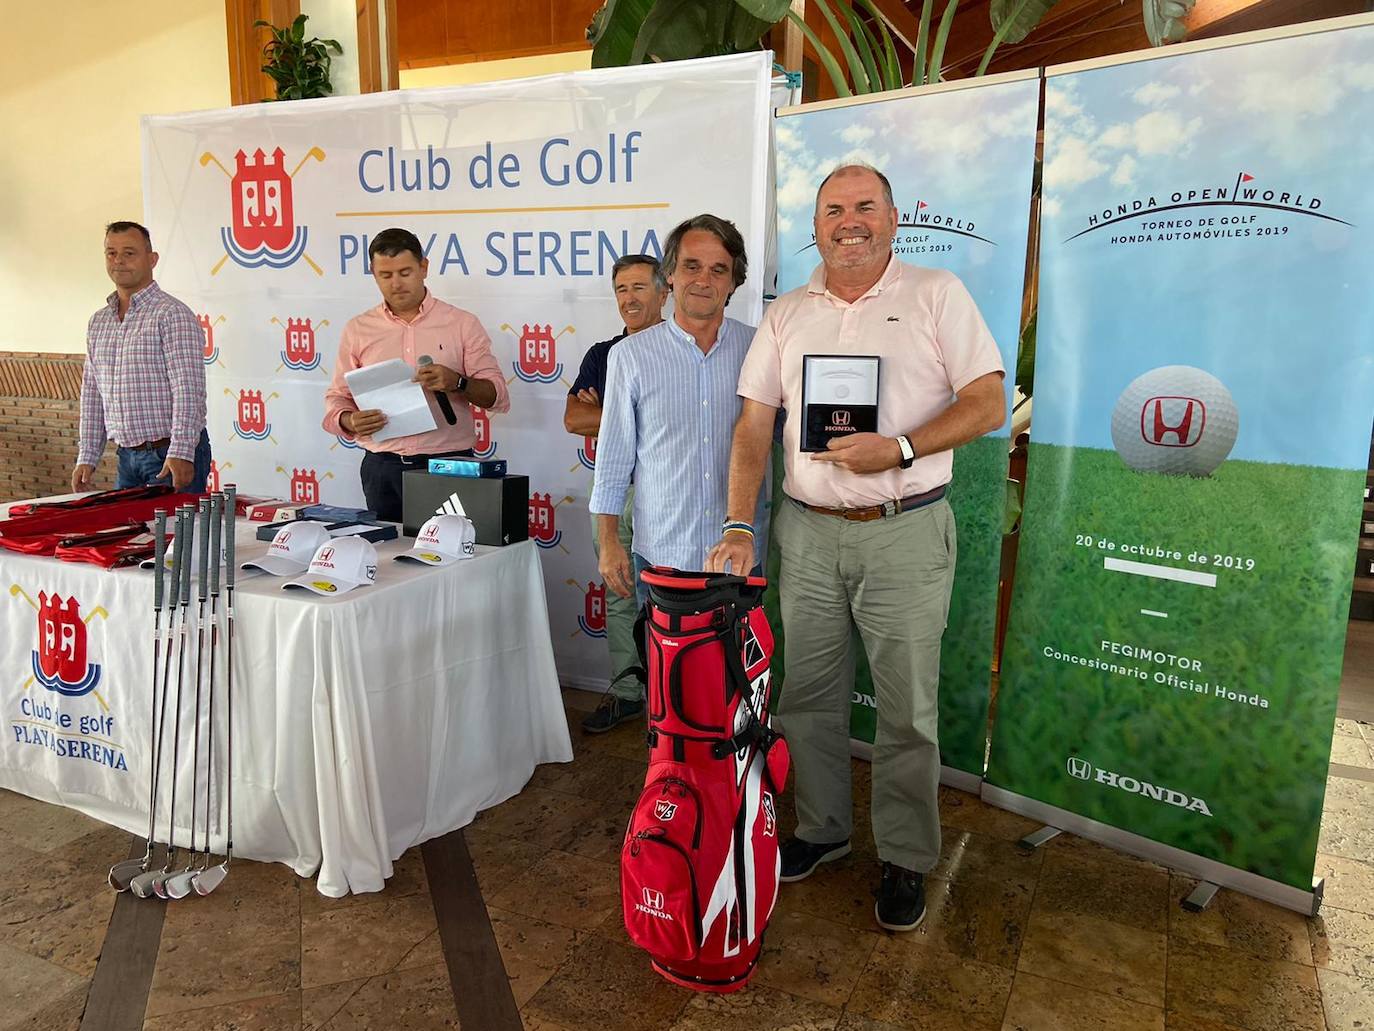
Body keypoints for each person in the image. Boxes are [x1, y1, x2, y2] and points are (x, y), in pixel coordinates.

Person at [706, 164, 1006, 933]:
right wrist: (739, 523)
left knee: (907, 708)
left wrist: (901, 446)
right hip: (805, 532)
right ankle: (822, 829)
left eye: (864, 206)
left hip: (903, 529)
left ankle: (905, 856)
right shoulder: (789, 314)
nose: (850, 220)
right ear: (815, 225)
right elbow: (752, 426)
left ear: (894, 217)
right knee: (807, 693)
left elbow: (987, 400)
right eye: (833, 208)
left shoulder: (935, 294)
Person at [588, 215, 768, 728]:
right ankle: (674, 792)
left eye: (718, 269)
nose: (703, 279)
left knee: (740, 691)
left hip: (742, 555)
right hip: (663, 555)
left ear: (734, 281)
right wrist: (608, 541)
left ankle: (736, 790)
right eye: (691, 266)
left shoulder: (760, 348)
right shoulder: (631, 356)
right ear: (671, 275)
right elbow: (614, 458)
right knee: (671, 699)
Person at [323, 228, 510, 522]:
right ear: (373, 273)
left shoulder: (462, 324)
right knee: (389, 560)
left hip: (448, 465)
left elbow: (497, 395)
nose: (396, 284)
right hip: (381, 467)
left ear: (424, 268)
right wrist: (349, 420)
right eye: (385, 275)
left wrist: (458, 382)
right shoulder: (358, 329)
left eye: (405, 272)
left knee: (454, 557)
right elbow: (337, 397)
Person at [564, 255, 669, 733]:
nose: (629, 298)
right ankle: (628, 692)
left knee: (668, 597)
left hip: (667, 493)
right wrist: (626, 417)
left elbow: (673, 424)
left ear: (664, 292)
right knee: (620, 591)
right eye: (622, 289)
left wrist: (606, 410)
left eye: (640, 288)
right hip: (611, 493)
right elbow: (573, 420)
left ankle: (672, 699)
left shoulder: (678, 347)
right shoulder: (601, 354)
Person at [73, 221, 210, 494]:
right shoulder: (99, 321)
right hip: (126, 458)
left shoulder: (171, 314)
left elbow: (188, 389)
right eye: (111, 253)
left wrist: (182, 451)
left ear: (152, 259)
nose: (119, 261)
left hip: (168, 456)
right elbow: (92, 393)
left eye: (129, 253)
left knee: (175, 537)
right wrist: (87, 456)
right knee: (129, 536)